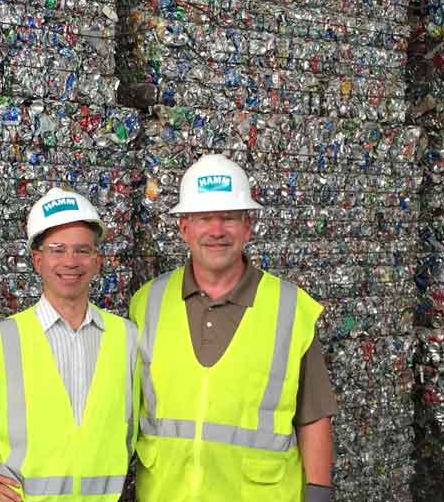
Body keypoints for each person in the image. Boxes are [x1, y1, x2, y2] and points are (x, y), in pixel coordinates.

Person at [129, 154, 336, 502]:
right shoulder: (147, 302)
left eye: (228, 218)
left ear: (247, 227)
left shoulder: (288, 307)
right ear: (184, 229)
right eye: (204, 218)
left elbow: (313, 415)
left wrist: (318, 493)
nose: (216, 230)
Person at [0, 187, 138, 502]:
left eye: (82, 250)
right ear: (37, 260)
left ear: (97, 260)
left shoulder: (126, 337)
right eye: (57, 249)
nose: (70, 261)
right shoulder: (1, 340)